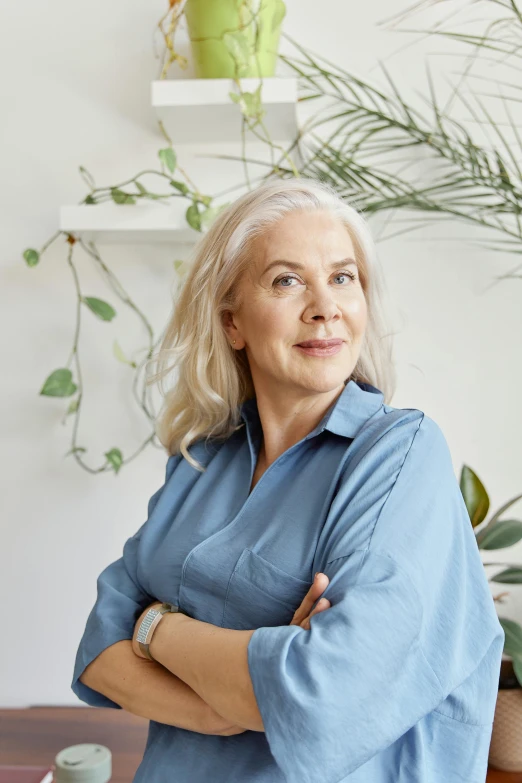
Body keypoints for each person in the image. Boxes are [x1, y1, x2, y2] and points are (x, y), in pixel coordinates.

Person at [71, 177, 504, 783]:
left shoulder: (399, 454)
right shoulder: (202, 459)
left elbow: (325, 695)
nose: (325, 305)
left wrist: (155, 626)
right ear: (232, 323)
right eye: (286, 279)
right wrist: (227, 704)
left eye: (343, 277)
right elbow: (98, 650)